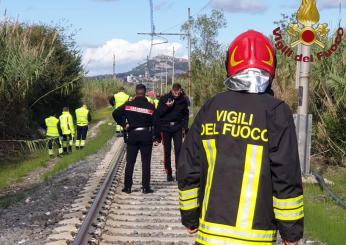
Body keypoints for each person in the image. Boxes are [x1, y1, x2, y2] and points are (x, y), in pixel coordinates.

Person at [177, 30, 304, 245]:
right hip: (257, 238)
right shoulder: (276, 112)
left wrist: (190, 218)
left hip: (210, 236)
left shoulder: (210, 108)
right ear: (271, 65)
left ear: (230, 64)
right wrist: (290, 234)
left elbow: (189, 167)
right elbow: (286, 176)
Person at [113, 84, 160, 194]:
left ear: (136, 92)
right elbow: (157, 123)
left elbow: (115, 113)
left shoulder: (128, 105)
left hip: (132, 135)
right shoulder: (150, 107)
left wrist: (124, 124)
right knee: (146, 163)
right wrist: (157, 137)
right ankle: (145, 187)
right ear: (145, 93)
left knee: (130, 162)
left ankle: (128, 187)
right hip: (146, 136)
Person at [157, 83, 189, 182]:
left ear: (180, 90)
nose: (176, 93)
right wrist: (167, 107)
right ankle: (169, 173)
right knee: (167, 152)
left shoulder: (183, 100)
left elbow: (185, 115)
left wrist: (185, 127)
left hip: (178, 128)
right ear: (172, 90)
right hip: (166, 127)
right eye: (175, 91)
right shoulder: (164, 98)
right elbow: (158, 113)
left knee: (179, 151)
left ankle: (178, 172)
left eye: (178, 91)